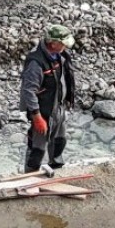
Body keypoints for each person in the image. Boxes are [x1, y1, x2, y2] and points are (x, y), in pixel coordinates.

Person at [19, 24, 77, 172]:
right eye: (63, 43)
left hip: (58, 107)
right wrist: (37, 117)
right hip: (43, 112)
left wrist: (67, 100)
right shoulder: (36, 62)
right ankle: (30, 175)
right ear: (53, 43)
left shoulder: (61, 54)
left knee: (59, 141)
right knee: (37, 148)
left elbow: (65, 78)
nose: (65, 46)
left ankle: (56, 167)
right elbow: (28, 91)